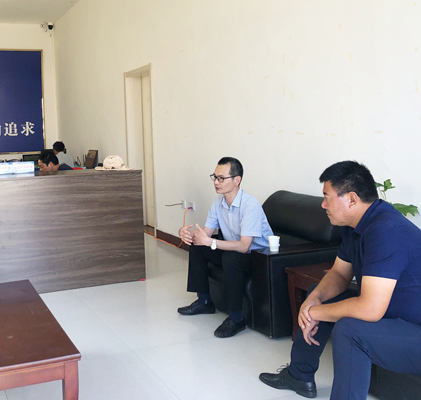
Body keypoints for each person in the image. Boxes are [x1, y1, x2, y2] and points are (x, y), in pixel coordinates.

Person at [259, 161, 421, 399]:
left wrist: (313, 313)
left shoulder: (386, 231)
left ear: (352, 199)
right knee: (319, 293)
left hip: (413, 328)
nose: (323, 204)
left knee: (349, 331)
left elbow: (370, 308)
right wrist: (313, 301)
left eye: (327, 197)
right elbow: (339, 274)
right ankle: (299, 375)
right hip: (392, 314)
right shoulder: (355, 225)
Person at [177, 157, 273, 338]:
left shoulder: (250, 205)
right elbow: (204, 234)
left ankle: (236, 318)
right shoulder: (218, 203)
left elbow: (244, 246)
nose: (216, 182)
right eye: (214, 177)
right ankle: (204, 301)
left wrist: (211, 242)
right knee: (198, 247)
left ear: (237, 180)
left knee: (231, 257)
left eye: (221, 178)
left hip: (259, 256)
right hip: (234, 250)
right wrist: (186, 234)